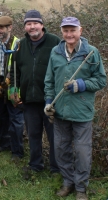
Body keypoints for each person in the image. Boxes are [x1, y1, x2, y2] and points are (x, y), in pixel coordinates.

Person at [44, 17, 106, 200]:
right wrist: (48, 102)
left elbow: (101, 80)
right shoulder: (55, 52)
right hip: (60, 111)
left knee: (82, 152)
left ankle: (81, 188)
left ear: (81, 30)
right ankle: (67, 182)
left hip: (82, 112)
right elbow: (49, 80)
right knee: (61, 149)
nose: (69, 34)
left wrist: (82, 84)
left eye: (73, 30)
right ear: (62, 32)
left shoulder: (91, 53)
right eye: (66, 30)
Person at [9, 10, 60, 173]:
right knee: (33, 135)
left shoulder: (55, 42)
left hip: (51, 100)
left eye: (35, 23)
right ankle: (36, 165)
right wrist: (13, 90)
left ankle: (56, 168)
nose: (32, 27)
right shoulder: (21, 45)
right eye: (28, 24)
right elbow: (14, 70)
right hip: (29, 100)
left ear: (42, 25)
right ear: (25, 27)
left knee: (54, 136)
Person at [0, 16, 24, 160]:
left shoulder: (18, 44)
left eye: (2, 28)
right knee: (1, 117)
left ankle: (17, 151)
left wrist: (10, 80)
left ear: (10, 28)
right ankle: (4, 145)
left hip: (13, 87)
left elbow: (21, 66)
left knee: (16, 119)